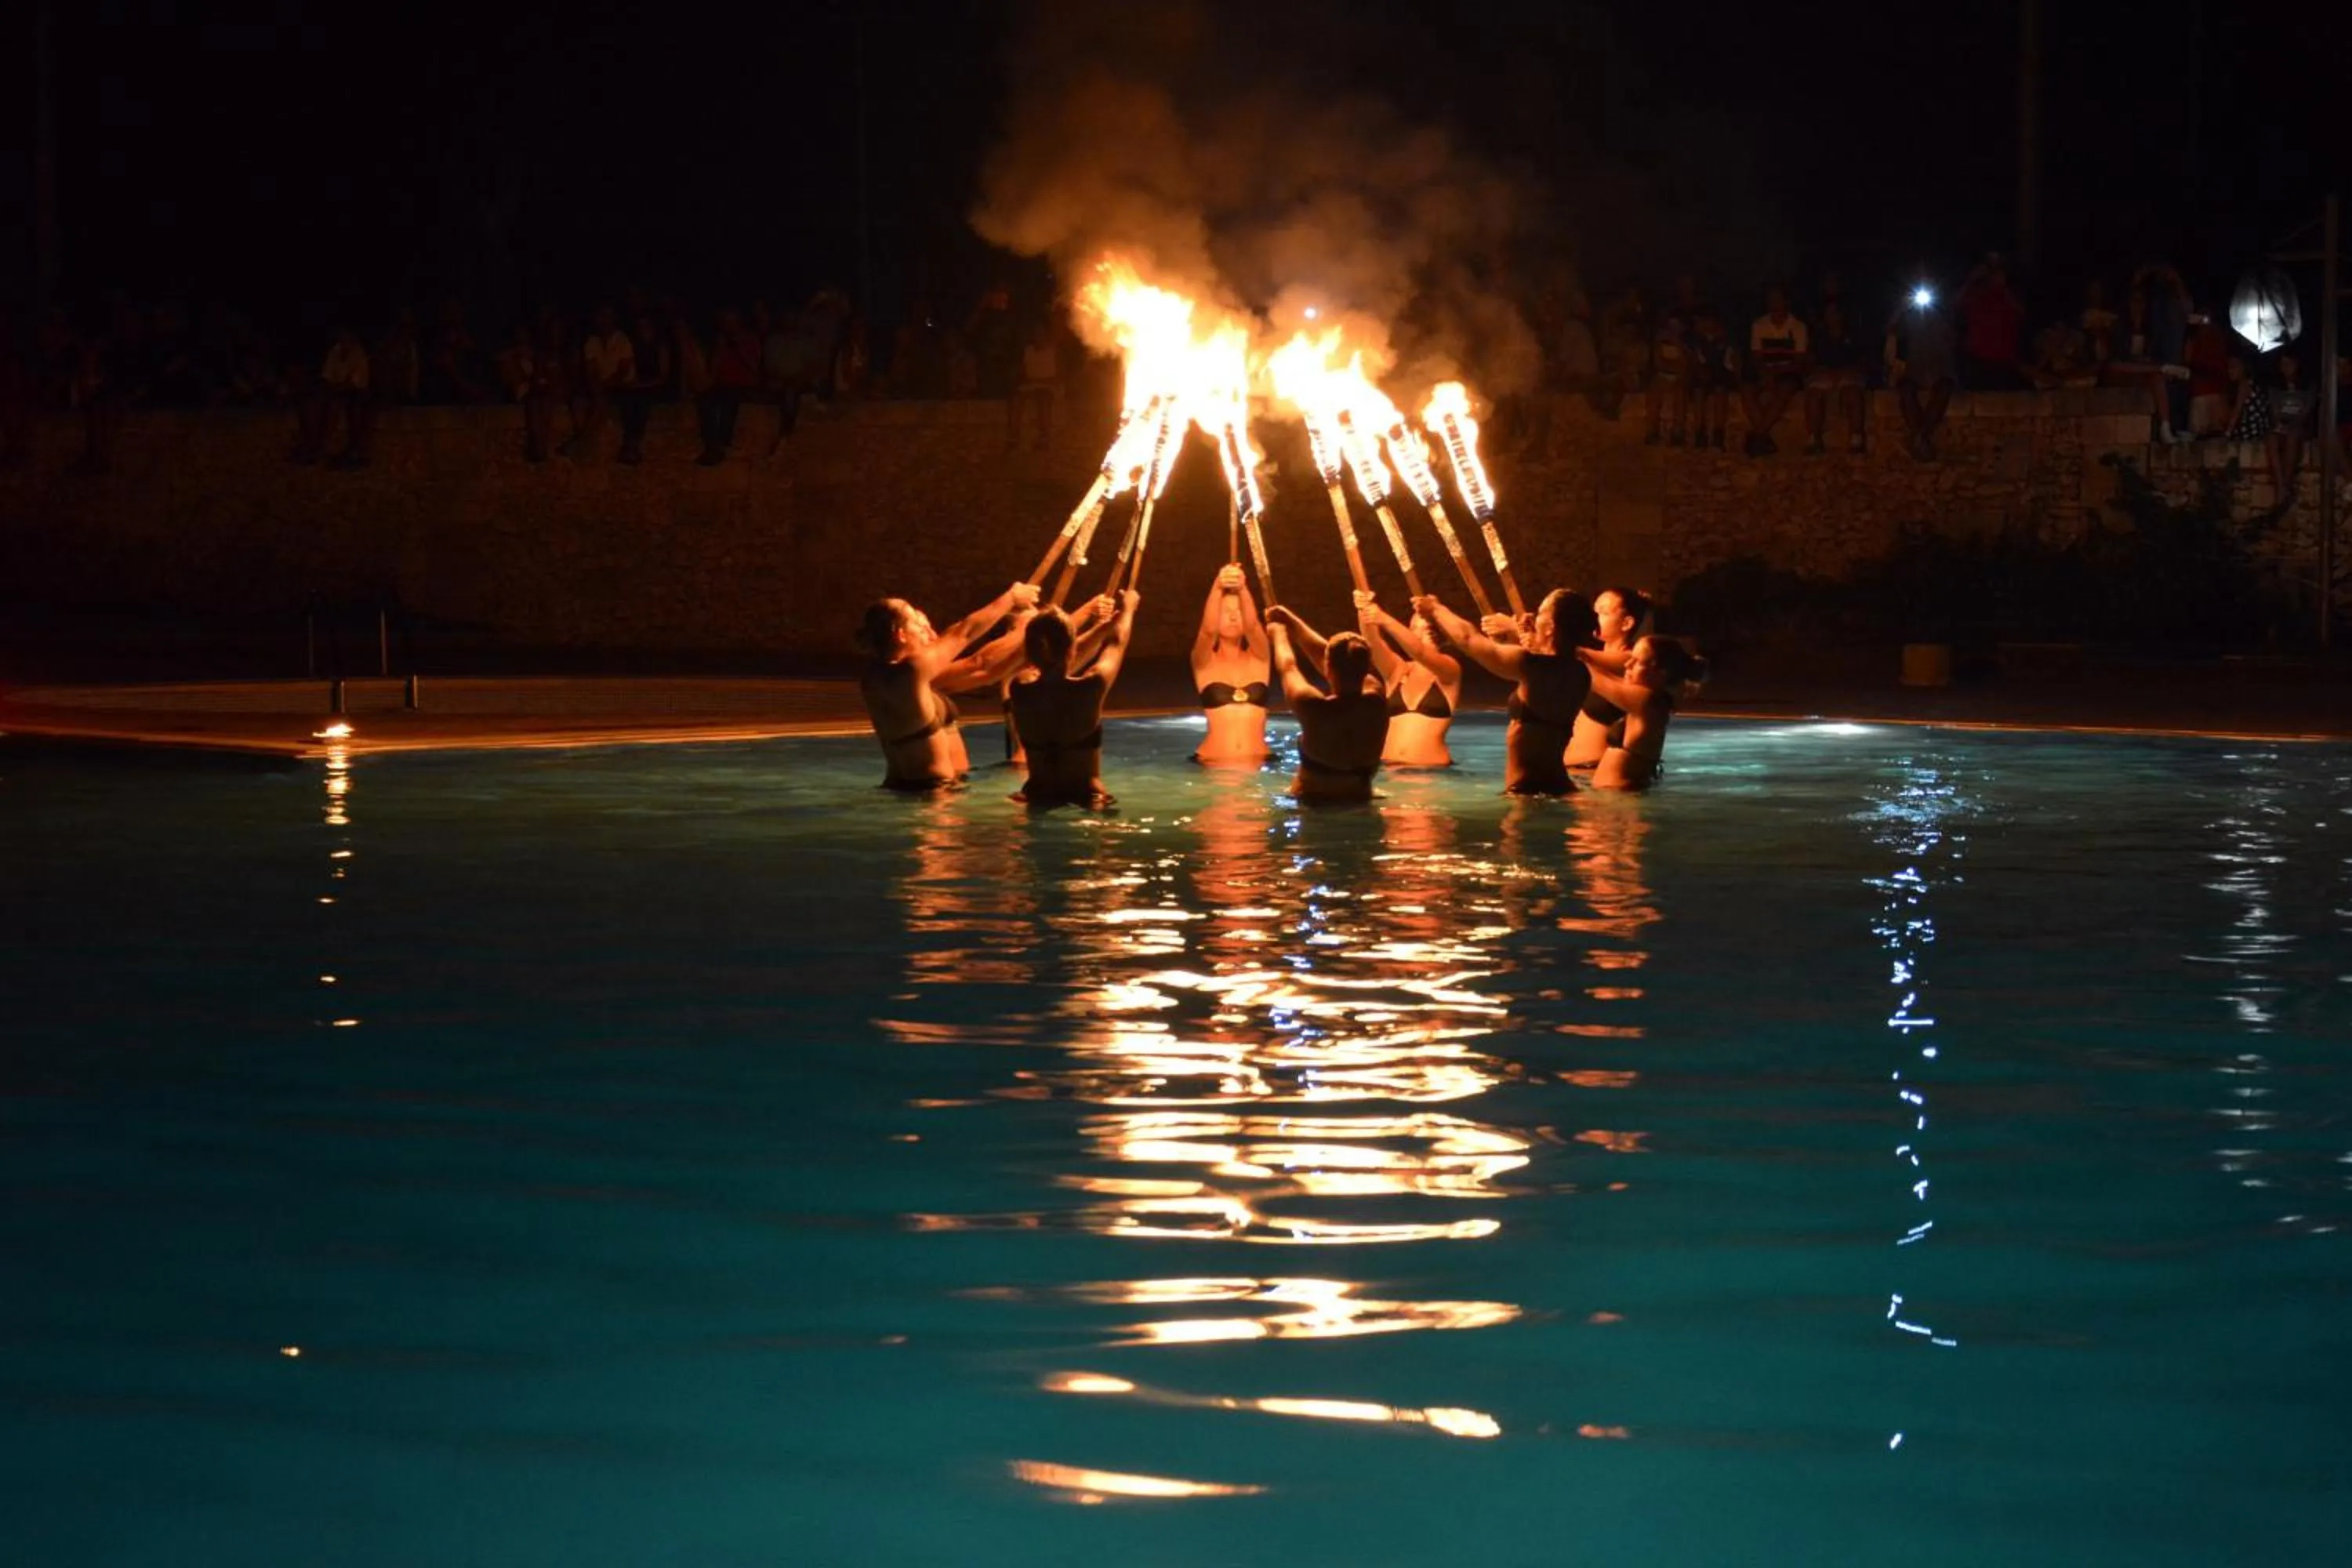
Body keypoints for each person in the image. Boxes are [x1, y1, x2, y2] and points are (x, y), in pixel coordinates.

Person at [858, 583, 1040, 791]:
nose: (931, 634)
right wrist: (1013, 599)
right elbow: (966, 635)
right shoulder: (912, 670)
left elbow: (985, 667)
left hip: (905, 787)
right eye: (919, 626)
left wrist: (1023, 629)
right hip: (933, 793)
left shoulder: (878, 677)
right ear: (901, 635)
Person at [1419, 589, 1595, 795]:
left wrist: (1436, 609)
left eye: (1540, 614)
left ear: (1550, 628)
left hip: (1529, 789)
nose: (1533, 618)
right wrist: (1522, 636)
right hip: (1558, 784)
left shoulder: (1534, 667)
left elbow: (1468, 639)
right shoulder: (1579, 672)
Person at [1009, 590, 1140, 809]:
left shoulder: (1019, 689)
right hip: (1087, 799)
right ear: (1071, 650)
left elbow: (1050, 658)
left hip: (1038, 796)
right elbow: (1117, 643)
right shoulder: (1090, 687)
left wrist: (1099, 628)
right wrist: (1127, 610)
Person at [1263, 608, 1389, 803]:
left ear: (1327, 667)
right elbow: (1333, 657)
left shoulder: (1313, 706)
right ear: (1366, 668)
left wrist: (1278, 634)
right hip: (1361, 801)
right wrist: (1292, 621)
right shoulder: (1376, 698)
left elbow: (1288, 667)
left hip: (1315, 805)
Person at [1572, 635, 1706, 790]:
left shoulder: (1646, 701)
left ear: (1661, 673)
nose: (1627, 664)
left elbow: (1594, 678)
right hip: (1617, 797)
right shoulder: (1651, 698)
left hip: (1622, 800)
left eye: (1637, 662)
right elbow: (1605, 676)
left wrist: (1567, 652)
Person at [1353, 590, 1463, 768]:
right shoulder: (1398, 670)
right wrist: (1363, 608)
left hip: (1432, 774)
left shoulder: (1449, 670)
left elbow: (1420, 652)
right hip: (1389, 770)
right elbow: (1372, 642)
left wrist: (1384, 619)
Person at [1190, 563, 1272, 764]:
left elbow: (1253, 627)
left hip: (1260, 762)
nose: (1234, 616)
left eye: (1238, 611)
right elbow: (1207, 632)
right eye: (1226, 611)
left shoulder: (1260, 658)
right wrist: (1218, 586)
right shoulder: (1204, 662)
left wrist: (1242, 587)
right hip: (1214, 763)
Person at [1568, 586, 1650, 770]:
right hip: (1574, 772)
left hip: (1595, 771)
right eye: (1594, 611)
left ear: (1626, 623)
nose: (1594, 617)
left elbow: (1576, 654)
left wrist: (1518, 628)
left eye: (1603, 612)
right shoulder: (1592, 660)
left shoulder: (1631, 662)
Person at [1886, 290, 1958, 460]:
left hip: (1940, 369)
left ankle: (1920, 436)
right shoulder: (1908, 318)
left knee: (1944, 388)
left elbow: (1953, 340)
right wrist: (1902, 309)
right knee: (1906, 391)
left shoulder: (1943, 317)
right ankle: (1923, 438)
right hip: (1915, 369)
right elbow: (1891, 331)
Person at [1740, 285, 1808, 456]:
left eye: (1777, 299)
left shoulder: (1798, 327)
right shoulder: (1759, 325)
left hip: (1787, 371)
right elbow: (1757, 357)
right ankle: (1764, 438)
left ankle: (1758, 435)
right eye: (1771, 300)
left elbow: (1798, 361)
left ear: (1786, 302)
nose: (1774, 304)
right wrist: (1766, 375)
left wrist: (1776, 373)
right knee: (1746, 389)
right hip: (1765, 370)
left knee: (1785, 389)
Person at [1803, 297, 1867, 454]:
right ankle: (1814, 438)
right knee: (1814, 394)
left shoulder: (1854, 335)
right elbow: (1810, 360)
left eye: (1834, 313)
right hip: (1823, 375)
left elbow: (1863, 360)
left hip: (1848, 375)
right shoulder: (1818, 336)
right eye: (1828, 313)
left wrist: (1848, 371)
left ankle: (1856, 438)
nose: (1831, 317)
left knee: (1852, 393)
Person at [2268, 354, 2313, 506]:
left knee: (2293, 436)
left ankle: (2286, 485)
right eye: (2283, 364)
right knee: (2272, 438)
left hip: (2300, 426)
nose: (2285, 368)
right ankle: (2281, 485)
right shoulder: (2276, 389)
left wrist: (2294, 424)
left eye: (2289, 363)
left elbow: (2306, 412)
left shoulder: (2308, 387)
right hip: (2283, 424)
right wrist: (2281, 424)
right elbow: (2275, 413)